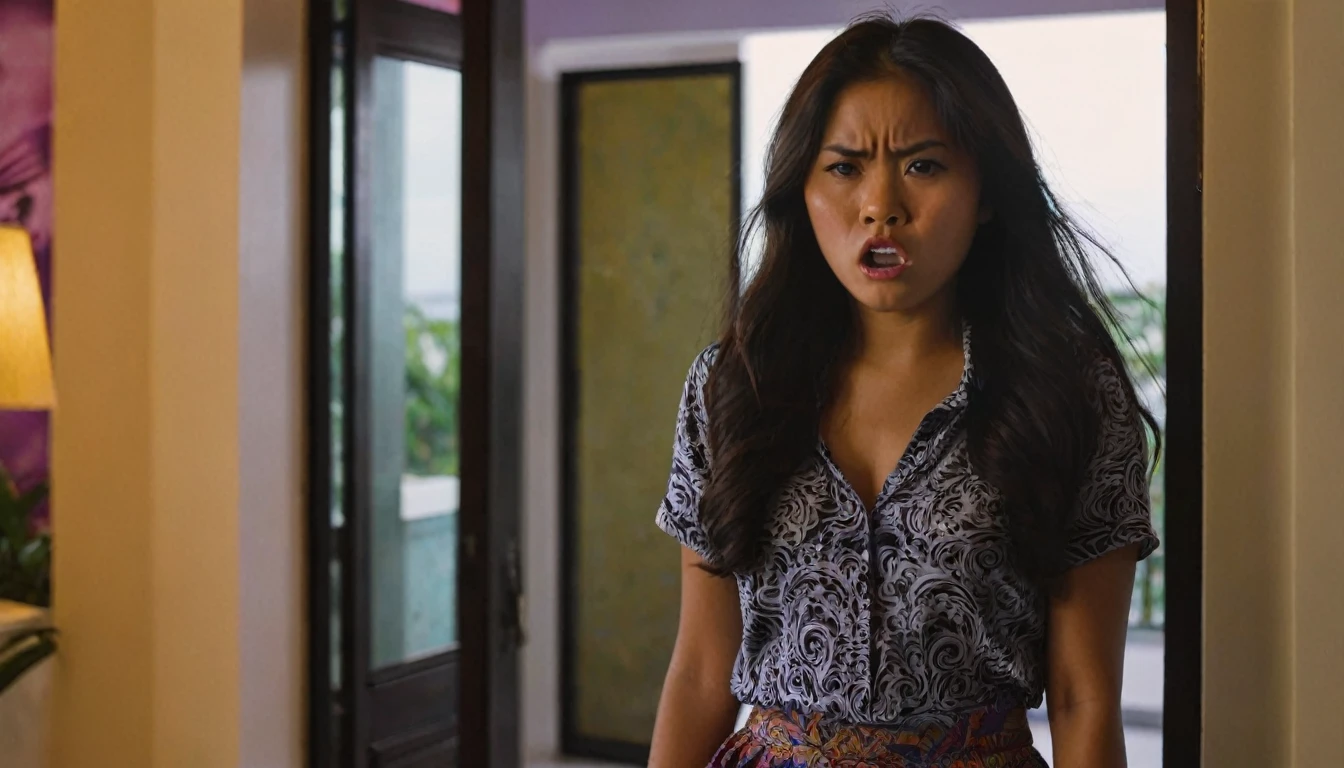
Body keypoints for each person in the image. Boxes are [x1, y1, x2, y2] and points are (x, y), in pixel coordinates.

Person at [649, 14, 1160, 768]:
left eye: (924, 166)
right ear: (802, 192)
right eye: (845, 167)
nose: (880, 206)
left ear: (986, 192)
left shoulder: (1067, 392)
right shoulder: (733, 388)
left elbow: (1085, 698)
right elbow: (698, 674)